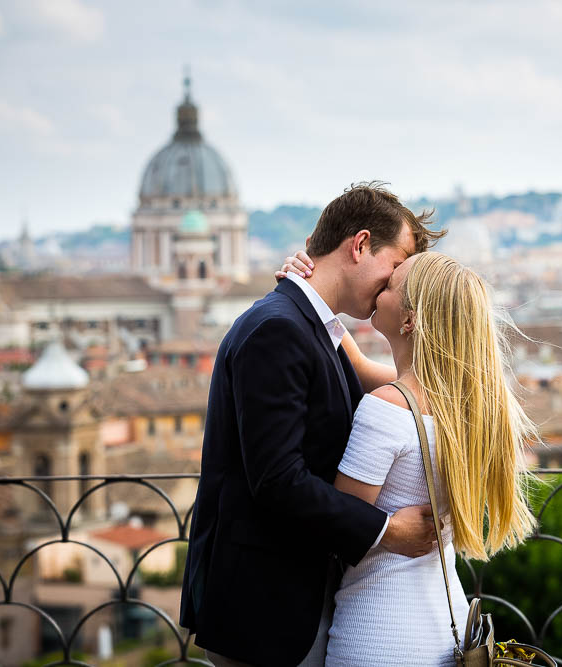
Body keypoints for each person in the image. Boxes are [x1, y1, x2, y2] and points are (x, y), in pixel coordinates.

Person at [179, 183, 446, 666]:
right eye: (396, 264)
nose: (394, 283)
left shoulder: (304, 324)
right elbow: (278, 481)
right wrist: (387, 531)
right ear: (360, 245)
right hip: (266, 608)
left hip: (285, 600)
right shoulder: (279, 328)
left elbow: (408, 390)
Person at [315, 251, 537, 666]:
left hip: (379, 632)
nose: (381, 287)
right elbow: (361, 365)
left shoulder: (388, 407)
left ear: (410, 320)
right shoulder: (472, 406)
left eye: (391, 285)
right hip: (444, 624)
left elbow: (340, 531)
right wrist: (317, 298)